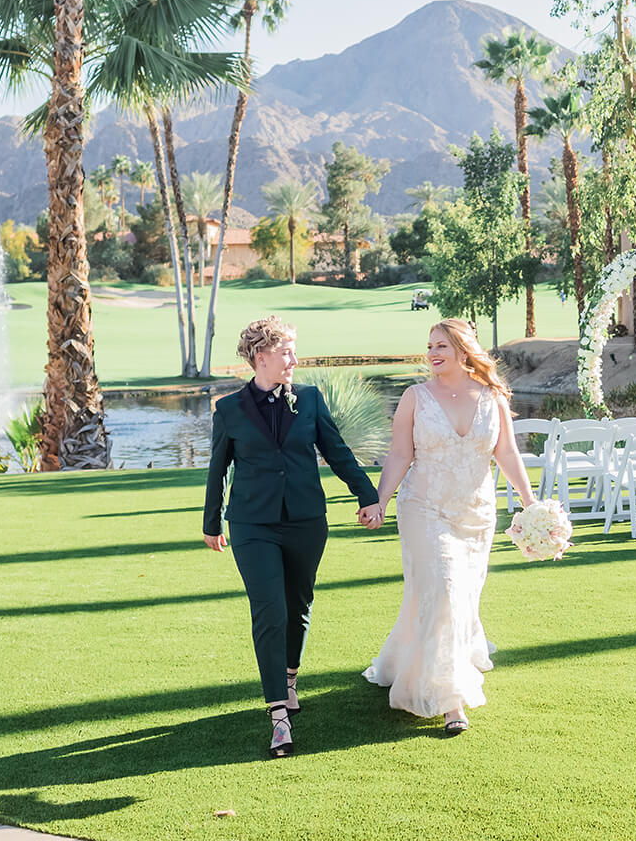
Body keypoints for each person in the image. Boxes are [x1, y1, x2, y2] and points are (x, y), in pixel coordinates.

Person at [202, 315, 381, 758]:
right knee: (270, 609)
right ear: (260, 358)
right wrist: (212, 522)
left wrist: (369, 496)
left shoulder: (311, 400)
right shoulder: (228, 410)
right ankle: (278, 715)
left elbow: (338, 452)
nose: (294, 360)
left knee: (299, 606)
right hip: (252, 524)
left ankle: (289, 679)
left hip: (305, 520)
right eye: (286, 352)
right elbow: (218, 468)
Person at [360, 318, 537, 735]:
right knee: (445, 590)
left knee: (458, 598)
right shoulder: (415, 397)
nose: (433, 353)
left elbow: (507, 452)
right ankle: (451, 699)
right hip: (424, 508)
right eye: (429, 346)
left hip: (475, 514)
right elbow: (400, 453)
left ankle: (411, 657)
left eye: (441, 345)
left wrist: (530, 503)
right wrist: (380, 501)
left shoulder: (491, 396)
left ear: (463, 349)